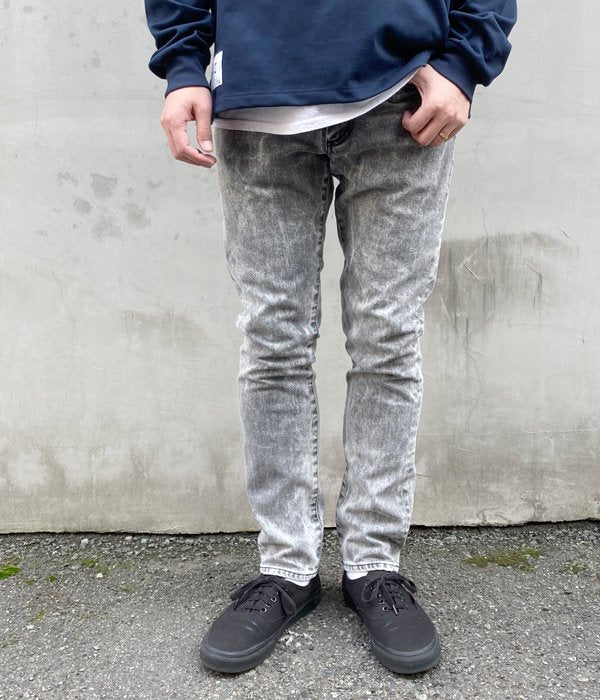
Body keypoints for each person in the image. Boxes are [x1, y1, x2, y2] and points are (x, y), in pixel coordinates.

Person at [144, 0, 517, 676]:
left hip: (402, 96)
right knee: (272, 342)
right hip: (258, 94)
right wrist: (183, 65)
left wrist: (464, 63)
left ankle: (373, 564)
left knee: (387, 339)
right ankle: (286, 567)